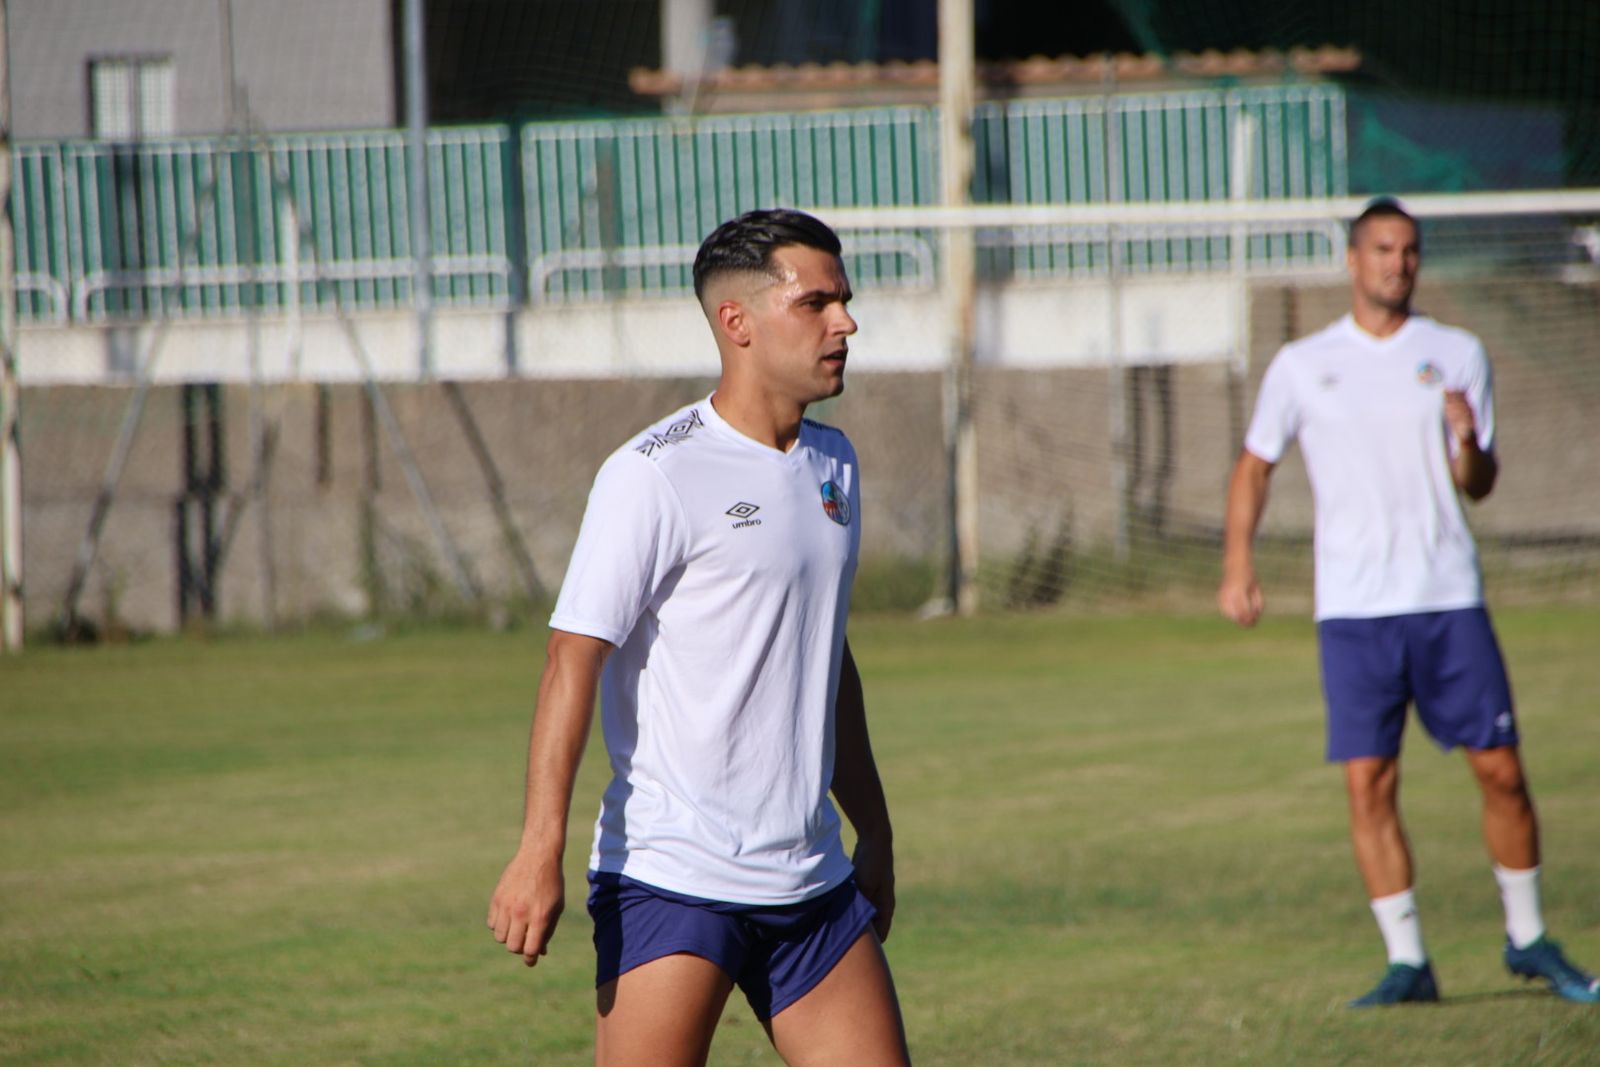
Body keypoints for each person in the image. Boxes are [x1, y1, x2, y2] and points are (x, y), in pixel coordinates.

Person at [488, 208, 911, 1065]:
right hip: (672, 878)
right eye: (819, 302)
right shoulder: (653, 472)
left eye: (846, 300)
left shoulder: (836, 463)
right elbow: (573, 656)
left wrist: (875, 826)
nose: (846, 322)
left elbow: (827, 657)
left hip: (811, 885)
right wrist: (540, 850)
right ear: (738, 322)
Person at [1217, 198, 1600, 1008]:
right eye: (1384, 248)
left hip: (1446, 597)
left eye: (1411, 249)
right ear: (1354, 261)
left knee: (1501, 770)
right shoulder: (1302, 362)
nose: (1399, 262)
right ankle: (1408, 960)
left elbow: (1481, 484)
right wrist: (1237, 564)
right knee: (1369, 784)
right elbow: (1255, 466)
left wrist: (1468, 440)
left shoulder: (1457, 353)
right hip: (1353, 611)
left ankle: (1529, 939)